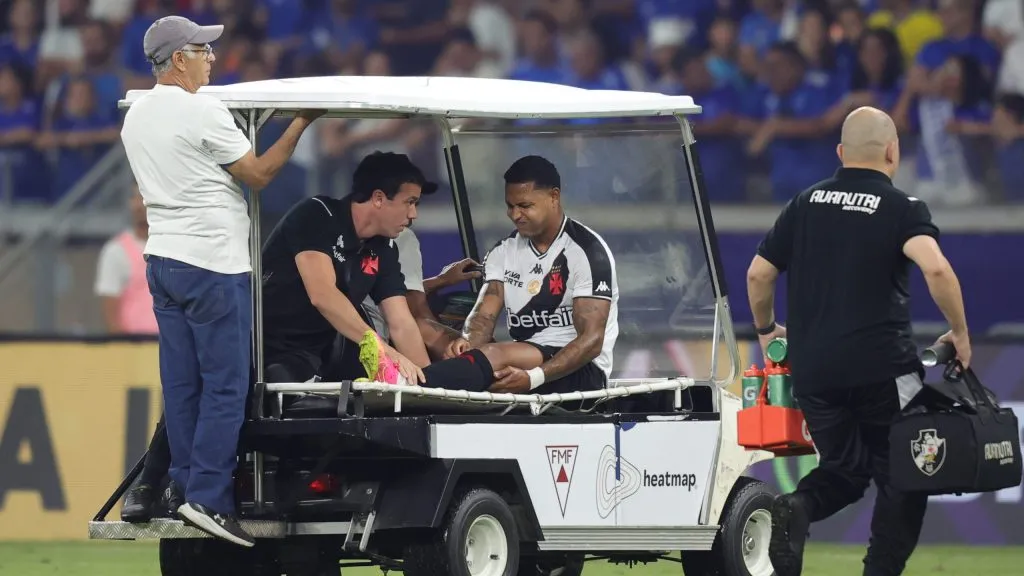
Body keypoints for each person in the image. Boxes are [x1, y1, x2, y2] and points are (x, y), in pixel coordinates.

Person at [118, 14, 322, 547]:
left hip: (162, 261)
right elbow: (257, 174)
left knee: (182, 386)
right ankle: (208, 498)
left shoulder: (134, 116)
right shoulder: (203, 109)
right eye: (203, 50)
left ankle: (184, 487)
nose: (212, 58)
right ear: (178, 59)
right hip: (213, 264)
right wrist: (300, 122)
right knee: (227, 386)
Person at [746, 106, 971, 576]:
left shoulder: (804, 203)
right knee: (904, 475)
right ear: (893, 151)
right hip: (883, 371)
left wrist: (768, 332)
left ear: (841, 153)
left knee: (845, 470)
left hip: (816, 374)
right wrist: (961, 332)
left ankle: (798, 508)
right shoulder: (902, 208)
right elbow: (935, 268)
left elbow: (759, 273)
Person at [365, 154, 620, 397]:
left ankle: (409, 385)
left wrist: (534, 378)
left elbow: (592, 341)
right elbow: (484, 316)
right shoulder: (502, 251)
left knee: (495, 355)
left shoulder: (587, 252)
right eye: (510, 206)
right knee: (435, 334)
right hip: (526, 356)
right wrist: (467, 343)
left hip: (580, 371)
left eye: (525, 206)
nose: (515, 215)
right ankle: (424, 384)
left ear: (554, 197)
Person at [94, 185, 157, 335]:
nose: (142, 204)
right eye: (138, 197)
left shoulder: (174, 249)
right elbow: (110, 312)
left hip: (170, 347)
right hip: (133, 348)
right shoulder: (116, 251)